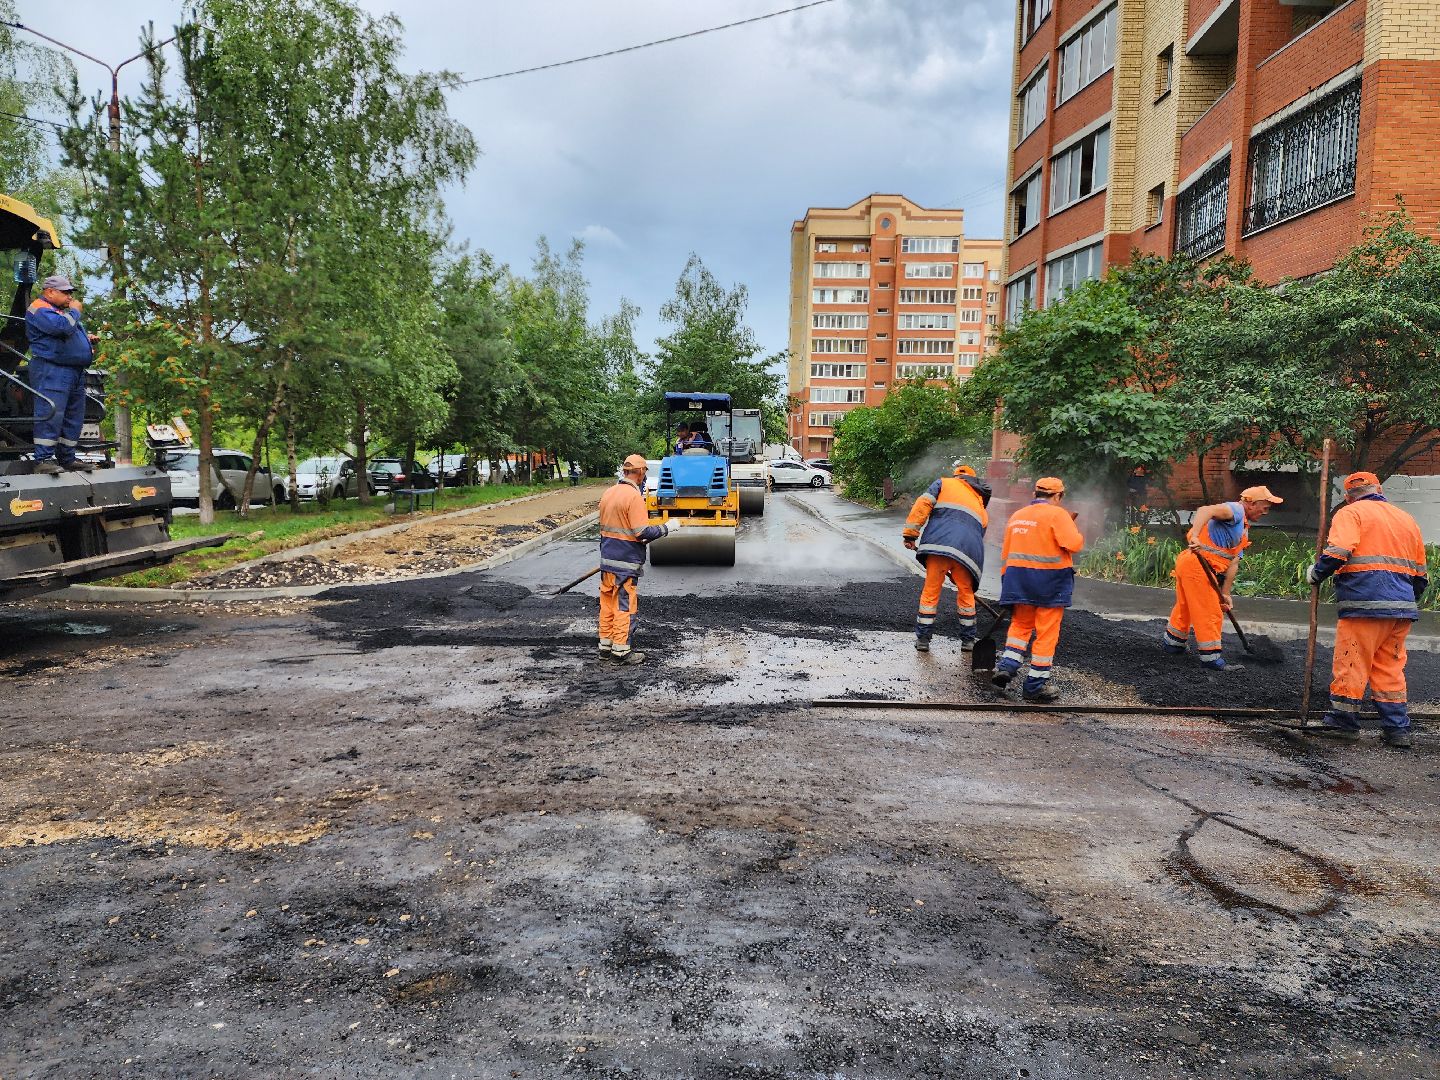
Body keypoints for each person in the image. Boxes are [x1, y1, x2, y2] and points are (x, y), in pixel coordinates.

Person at [1304, 471, 1427, 749]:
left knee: (1352, 662)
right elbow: (1421, 573)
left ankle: (1342, 723)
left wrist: (1317, 573)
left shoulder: (1351, 513)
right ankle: (1397, 729)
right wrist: (1406, 601)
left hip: (1364, 604)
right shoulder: (1406, 519)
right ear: (1379, 490)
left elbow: (1339, 551)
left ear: (1349, 497)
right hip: (1401, 608)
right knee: (1390, 669)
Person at [1163, 486, 1285, 669]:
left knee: (1187, 605)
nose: (1265, 512)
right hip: (1198, 565)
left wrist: (1225, 594)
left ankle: (1173, 643)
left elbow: (1233, 563)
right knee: (1210, 612)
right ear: (1252, 504)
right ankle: (1211, 658)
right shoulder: (1235, 511)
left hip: (1194, 566)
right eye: (1264, 508)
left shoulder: (1243, 528)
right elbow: (1206, 510)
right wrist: (1195, 536)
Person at [992, 477, 1084, 703]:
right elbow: (1074, 544)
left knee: (1020, 626)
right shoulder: (1058, 515)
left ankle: (1007, 667)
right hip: (1049, 583)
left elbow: (1006, 552)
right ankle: (1034, 686)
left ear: (1035, 494)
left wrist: (1008, 584)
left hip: (1017, 580)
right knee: (1046, 633)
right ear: (1058, 496)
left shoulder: (1017, 516)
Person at [597, 453, 685, 665]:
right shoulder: (633, 497)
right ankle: (621, 651)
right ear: (639, 473)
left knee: (607, 604)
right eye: (644, 472)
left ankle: (605, 647)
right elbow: (641, 532)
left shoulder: (609, 493)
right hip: (625, 563)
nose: (644, 477)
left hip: (607, 561)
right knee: (624, 607)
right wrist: (667, 527)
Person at [902, 461, 991, 652]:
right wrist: (961, 561)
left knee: (931, 591)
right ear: (972, 480)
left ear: (956, 476)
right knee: (966, 593)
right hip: (966, 553)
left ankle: (923, 639)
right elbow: (981, 531)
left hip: (938, 547)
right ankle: (968, 641)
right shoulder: (979, 501)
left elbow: (923, 504)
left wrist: (910, 535)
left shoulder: (943, 483)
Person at [25, 274, 97, 475]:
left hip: (74, 372)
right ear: (50, 292)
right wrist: (75, 311)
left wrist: (86, 339)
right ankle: (43, 459)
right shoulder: (39, 309)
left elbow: (67, 332)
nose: (70, 297)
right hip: (52, 370)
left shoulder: (57, 311)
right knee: (51, 413)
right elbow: (62, 328)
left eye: (70, 293)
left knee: (73, 417)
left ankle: (67, 458)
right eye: (66, 293)